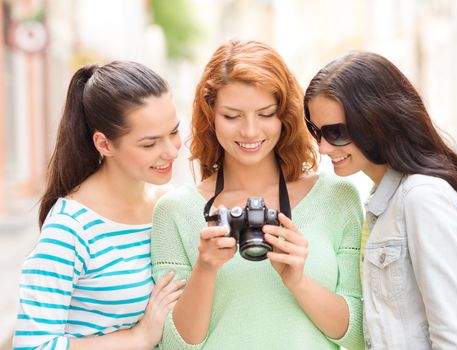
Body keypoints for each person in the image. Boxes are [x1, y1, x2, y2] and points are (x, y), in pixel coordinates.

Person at [151, 39, 365, 350]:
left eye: (265, 114)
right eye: (232, 116)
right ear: (210, 116)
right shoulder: (175, 210)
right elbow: (174, 345)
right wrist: (205, 269)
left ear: (285, 115)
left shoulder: (337, 197)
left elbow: (359, 336)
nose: (250, 132)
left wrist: (298, 281)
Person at [304, 51, 457, 349]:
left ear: (375, 120)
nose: (324, 147)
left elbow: (456, 338)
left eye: (336, 132)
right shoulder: (382, 203)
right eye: (316, 131)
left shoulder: (422, 198)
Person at [13, 61, 186, 350]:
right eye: (149, 144)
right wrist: (138, 337)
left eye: (174, 132)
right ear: (104, 144)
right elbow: (33, 345)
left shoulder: (170, 207)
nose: (170, 150)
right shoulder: (71, 228)